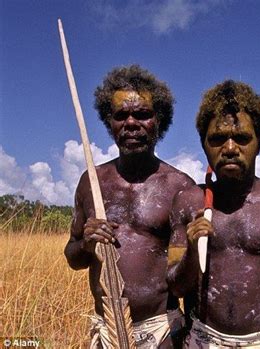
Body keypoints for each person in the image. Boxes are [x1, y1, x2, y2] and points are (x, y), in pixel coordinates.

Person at [167, 80, 260, 348]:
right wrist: (191, 248)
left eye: (242, 138)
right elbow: (177, 287)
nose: (231, 148)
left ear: (259, 143)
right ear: (203, 144)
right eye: (218, 139)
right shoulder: (188, 203)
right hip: (203, 338)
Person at [64, 65, 195, 348]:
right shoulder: (92, 182)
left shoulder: (179, 186)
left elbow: (188, 280)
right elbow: (73, 257)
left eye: (143, 114)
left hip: (162, 331)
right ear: (108, 122)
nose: (131, 123)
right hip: (107, 331)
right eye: (121, 116)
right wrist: (86, 242)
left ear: (159, 120)